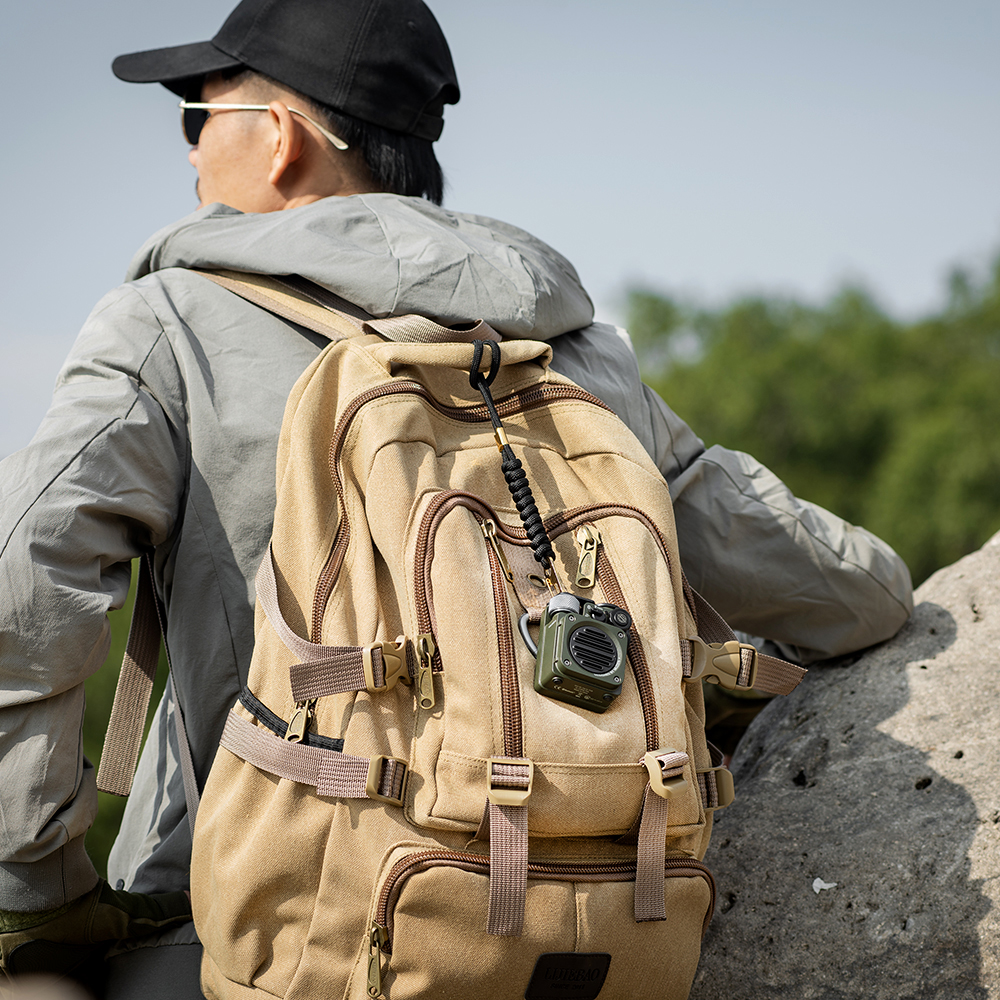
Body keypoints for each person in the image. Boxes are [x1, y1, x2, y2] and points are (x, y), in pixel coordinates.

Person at [0, 0, 913, 996]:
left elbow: (26, 589)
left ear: (281, 137)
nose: (189, 150)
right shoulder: (571, 351)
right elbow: (851, 594)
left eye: (199, 114)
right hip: (594, 930)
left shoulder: (170, 326)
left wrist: (34, 888)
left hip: (256, 932)